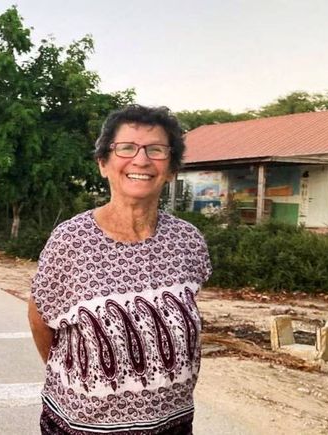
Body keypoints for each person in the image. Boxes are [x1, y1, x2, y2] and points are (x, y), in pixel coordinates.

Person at [28, 105, 211, 434]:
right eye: (126, 148)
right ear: (103, 163)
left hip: (173, 423)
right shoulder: (71, 240)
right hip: (83, 426)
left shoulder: (188, 240)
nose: (141, 160)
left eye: (156, 150)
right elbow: (42, 319)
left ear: (170, 169)